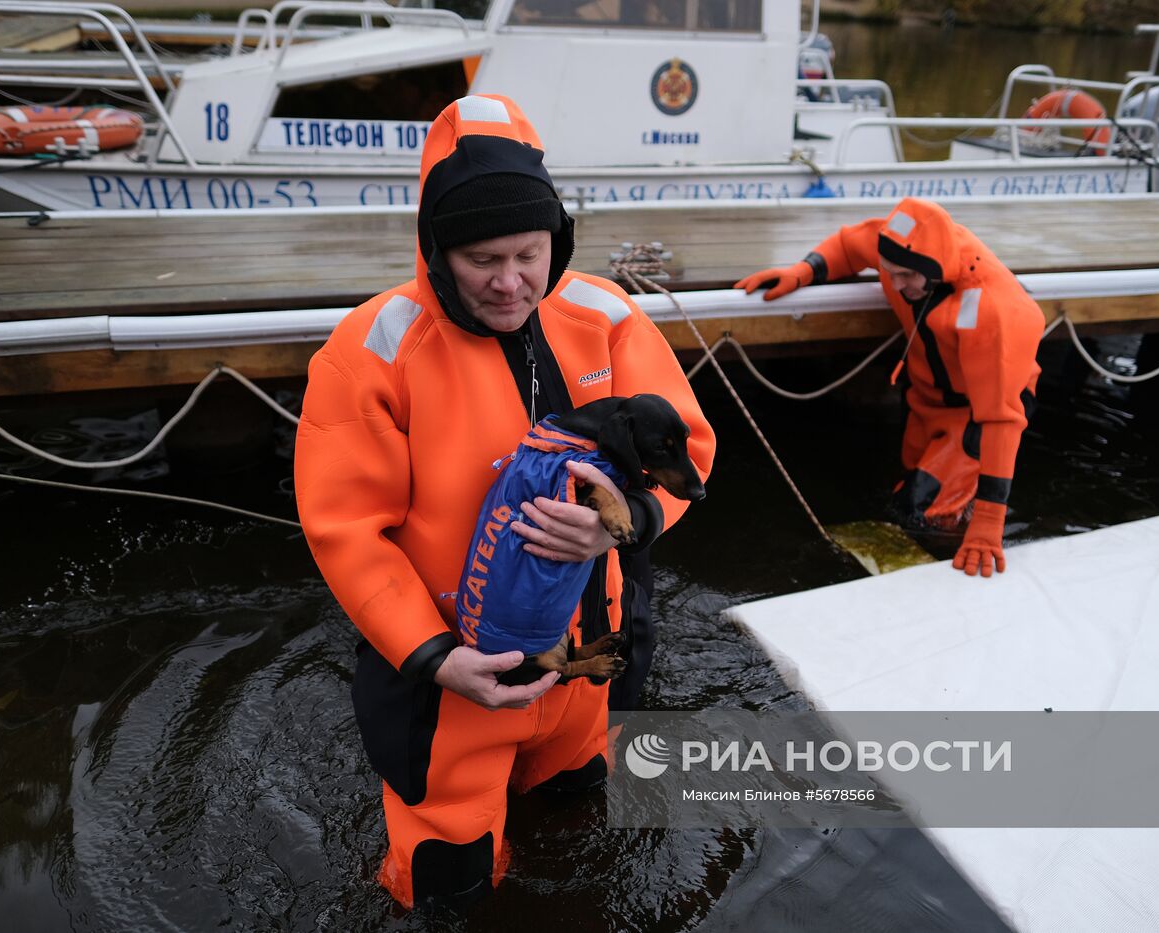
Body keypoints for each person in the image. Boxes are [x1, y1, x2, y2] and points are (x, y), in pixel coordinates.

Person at [293, 93, 715, 911]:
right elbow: (346, 529)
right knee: (446, 887)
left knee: (579, 816)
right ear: (435, 250)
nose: (511, 282)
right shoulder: (370, 352)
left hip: (586, 667)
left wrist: (620, 526)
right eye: (484, 259)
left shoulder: (605, 317)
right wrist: (434, 657)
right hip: (454, 681)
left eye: (530, 253)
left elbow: (689, 453)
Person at [735, 197, 1042, 577]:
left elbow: (1000, 420)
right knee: (907, 484)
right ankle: (954, 507)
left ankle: (964, 549)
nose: (895, 285)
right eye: (888, 273)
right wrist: (803, 270)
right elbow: (849, 246)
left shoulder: (994, 311)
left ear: (935, 270)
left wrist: (990, 524)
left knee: (925, 512)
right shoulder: (899, 246)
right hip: (926, 398)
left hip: (981, 410)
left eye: (906, 277)